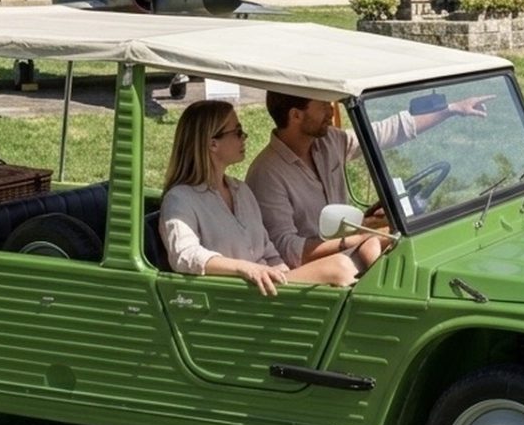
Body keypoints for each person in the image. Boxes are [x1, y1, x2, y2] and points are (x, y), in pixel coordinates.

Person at [246, 89, 491, 274]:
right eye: (323, 105)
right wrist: (361, 237)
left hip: (348, 246)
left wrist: (451, 109)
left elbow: (384, 132)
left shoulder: (328, 141)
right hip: (322, 271)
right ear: (296, 115)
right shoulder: (267, 174)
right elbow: (289, 250)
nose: (331, 112)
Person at [158, 99, 369, 292]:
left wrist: (283, 275)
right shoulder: (180, 199)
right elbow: (185, 255)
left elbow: (269, 250)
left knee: (370, 246)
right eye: (238, 132)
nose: (244, 137)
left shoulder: (240, 190)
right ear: (213, 143)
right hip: (234, 293)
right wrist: (245, 269)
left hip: (266, 287)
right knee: (340, 266)